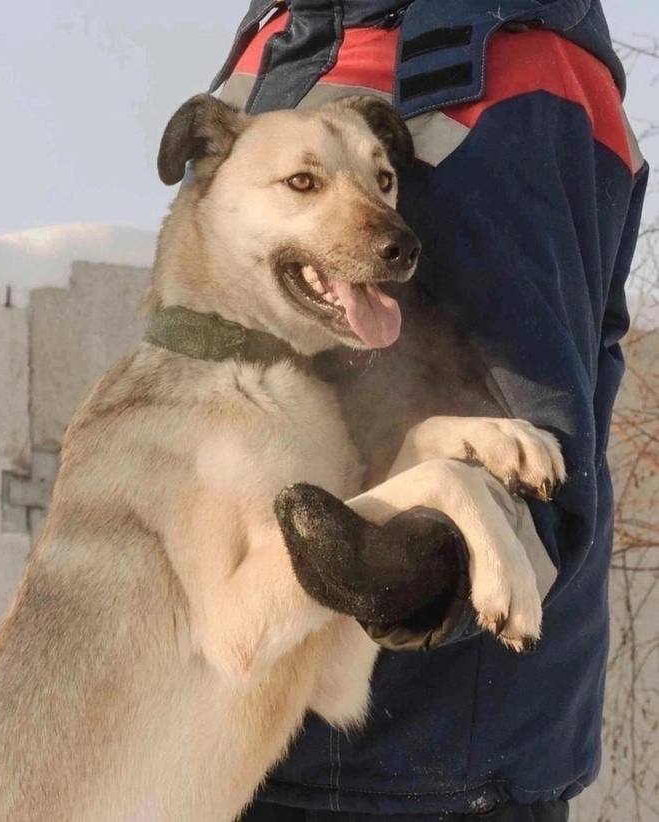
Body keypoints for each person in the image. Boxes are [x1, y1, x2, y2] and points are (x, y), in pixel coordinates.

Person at [205, 0, 648, 819]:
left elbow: (530, 425)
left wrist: (425, 567)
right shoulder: (283, 40)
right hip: (233, 732)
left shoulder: (510, 71)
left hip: (408, 756)